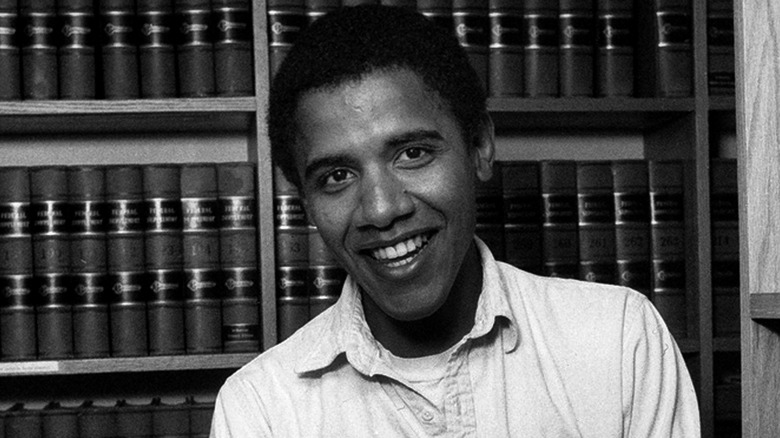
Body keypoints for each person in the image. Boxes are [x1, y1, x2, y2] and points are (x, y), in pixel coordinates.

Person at [210, 5, 700, 436]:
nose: (381, 209)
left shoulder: (618, 341)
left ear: (480, 148)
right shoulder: (261, 409)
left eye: (413, 153)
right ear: (304, 201)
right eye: (337, 175)